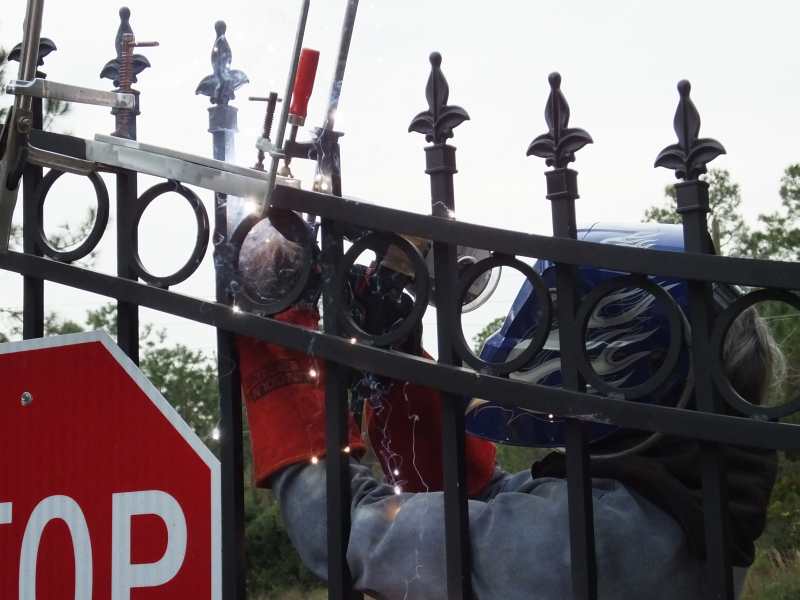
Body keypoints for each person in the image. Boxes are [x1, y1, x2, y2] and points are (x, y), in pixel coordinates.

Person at [235, 221, 781, 599]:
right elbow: (491, 508)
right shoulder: (674, 503)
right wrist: (397, 358)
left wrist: (282, 350)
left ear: (630, 355)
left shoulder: (610, 539)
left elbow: (352, 536)